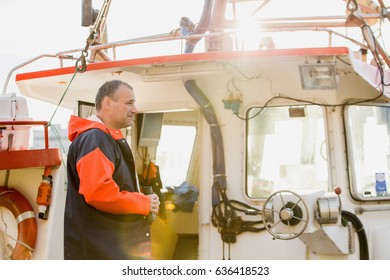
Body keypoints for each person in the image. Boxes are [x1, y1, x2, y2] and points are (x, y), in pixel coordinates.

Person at [64, 80, 160, 260]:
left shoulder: (103, 138)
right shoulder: (95, 139)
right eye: (129, 103)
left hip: (109, 248)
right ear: (108, 103)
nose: (135, 109)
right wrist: (144, 203)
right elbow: (98, 192)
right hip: (99, 253)